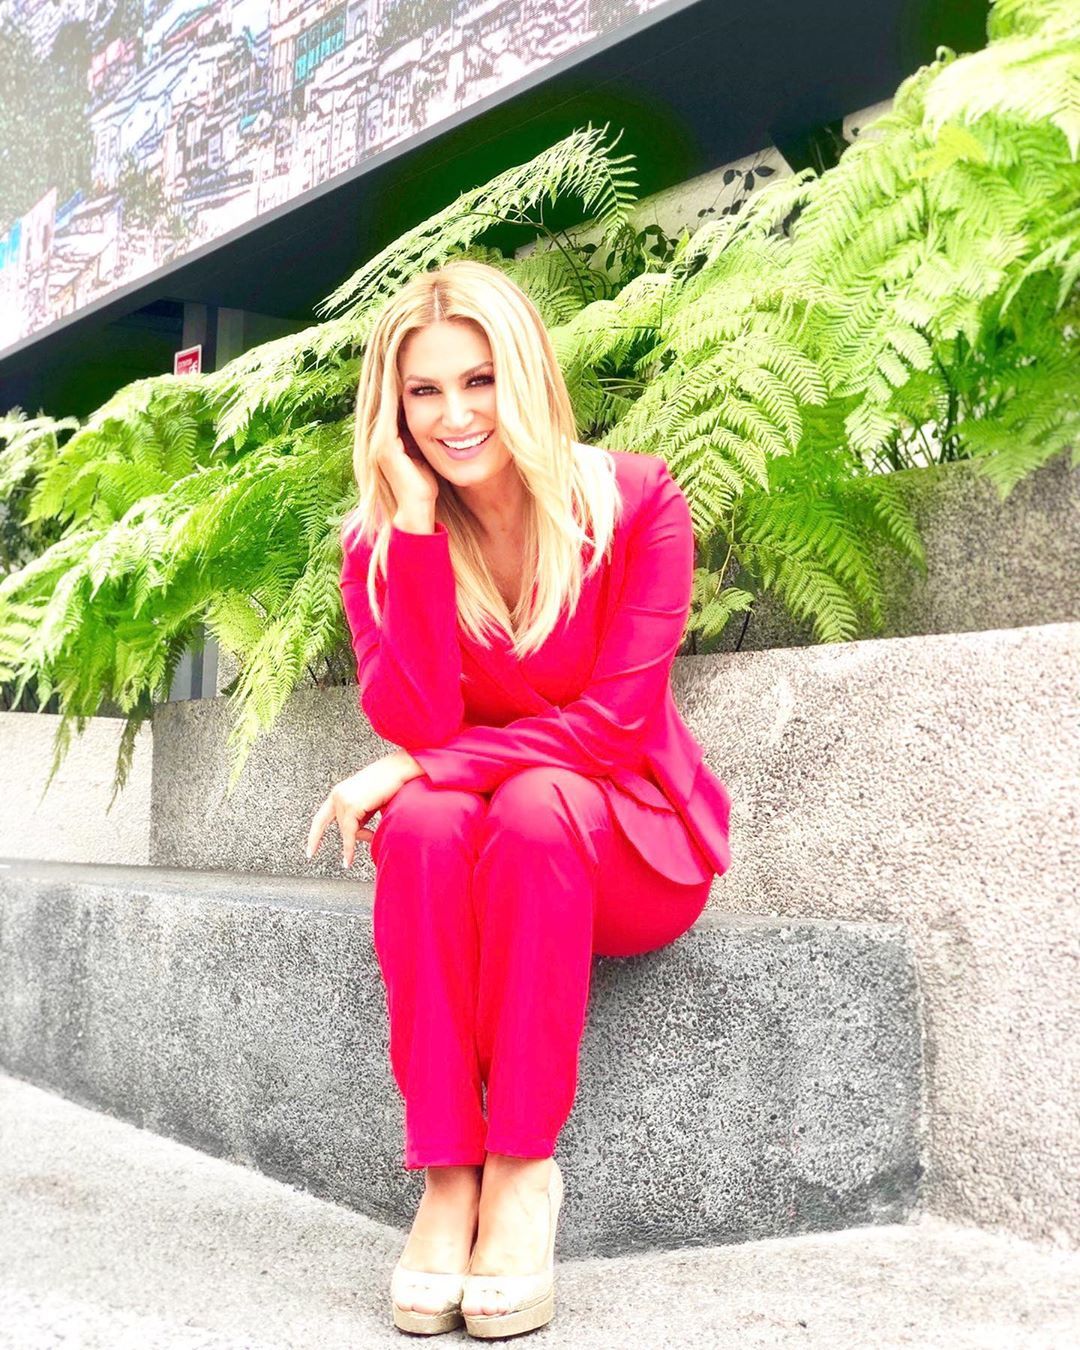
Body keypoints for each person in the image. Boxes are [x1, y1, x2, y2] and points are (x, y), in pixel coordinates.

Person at [305, 258, 732, 1339]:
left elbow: (616, 726)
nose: (455, 416)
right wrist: (410, 529)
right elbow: (415, 720)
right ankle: (449, 1176)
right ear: (394, 409)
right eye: (425, 391)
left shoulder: (637, 502)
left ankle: (524, 1169)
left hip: (626, 849)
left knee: (530, 799)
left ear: (527, 376)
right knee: (424, 819)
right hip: (479, 839)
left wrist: (419, 765)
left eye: (479, 380)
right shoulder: (377, 545)